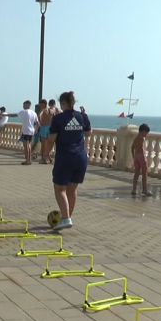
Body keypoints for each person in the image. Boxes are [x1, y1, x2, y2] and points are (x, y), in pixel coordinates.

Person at [48, 91, 88, 230]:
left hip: (65, 157)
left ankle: (65, 218)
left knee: (59, 189)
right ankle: (67, 218)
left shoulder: (58, 119)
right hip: (81, 158)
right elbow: (89, 132)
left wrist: (46, 153)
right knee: (72, 189)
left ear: (64, 103)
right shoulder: (82, 116)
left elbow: (52, 139)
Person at [6, 100, 39, 165]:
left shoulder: (24, 112)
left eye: (24, 105)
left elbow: (14, 115)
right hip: (31, 131)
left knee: (26, 146)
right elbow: (38, 123)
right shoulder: (34, 113)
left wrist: (6, 115)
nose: (23, 106)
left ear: (27, 105)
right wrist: (36, 130)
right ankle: (29, 159)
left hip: (26, 131)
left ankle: (27, 160)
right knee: (29, 145)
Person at [131, 123, 152, 196]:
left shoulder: (136, 138)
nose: (146, 134)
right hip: (141, 157)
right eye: (146, 133)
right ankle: (145, 190)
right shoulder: (142, 138)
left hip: (136, 156)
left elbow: (132, 148)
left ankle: (134, 189)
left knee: (136, 174)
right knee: (144, 174)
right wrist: (145, 159)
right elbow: (142, 149)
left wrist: (133, 157)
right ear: (143, 131)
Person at [37, 99, 53, 164]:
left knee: (43, 144)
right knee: (48, 144)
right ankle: (48, 157)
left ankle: (44, 159)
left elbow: (39, 116)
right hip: (50, 128)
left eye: (40, 104)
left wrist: (39, 121)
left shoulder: (43, 110)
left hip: (44, 128)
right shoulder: (51, 110)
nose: (39, 105)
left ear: (44, 104)